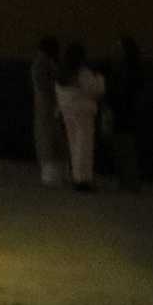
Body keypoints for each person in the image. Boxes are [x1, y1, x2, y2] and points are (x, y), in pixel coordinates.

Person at [55, 40, 106, 191]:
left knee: (73, 145)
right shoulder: (82, 72)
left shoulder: (61, 73)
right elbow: (95, 88)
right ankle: (83, 180)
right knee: (84, 146)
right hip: (82, 112)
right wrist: (101, 79)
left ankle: (77, 177)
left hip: (67, 112)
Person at [106, 35, 145, 192]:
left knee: (123, 147)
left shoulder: (123, 68)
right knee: (126, 147)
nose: (115, 50)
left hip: (122, 112)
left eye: (118, 47)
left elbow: (120, 91)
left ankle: (127, 181)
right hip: (128, 111)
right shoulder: (133, 67)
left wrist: (111, 105)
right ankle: (129, 181)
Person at [31, 37, 69, 186]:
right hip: (55, 104)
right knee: (56, 137)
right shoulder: (52, 63)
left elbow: (43, 84)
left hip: (48, 105)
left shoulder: (40, 63)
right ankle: (58, 173)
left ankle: (52, 175)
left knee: (47, 138)